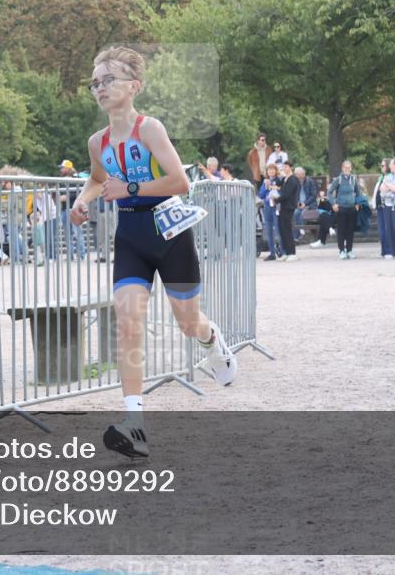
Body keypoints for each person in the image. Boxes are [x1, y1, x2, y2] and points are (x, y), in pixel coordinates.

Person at [70, 45, 237, 458]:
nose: (100, 87)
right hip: (130, 237)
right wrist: (83, 199)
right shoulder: (98, 141)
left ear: (134, 85)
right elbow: (96, 178)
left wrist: (128, 188)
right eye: (95, 81)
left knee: (188, 322)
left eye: (108, 79)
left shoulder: (150, 130)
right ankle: (135, 425)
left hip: (169, 234)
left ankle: (211, 340)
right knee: (127, 325)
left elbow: (180, 182)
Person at [328, 160, 361, 259]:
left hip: (351, 208)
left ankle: (349, 250)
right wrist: (333, 204)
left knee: (350, 230)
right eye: (345, 168)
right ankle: (341, 250)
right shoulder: (338, 179)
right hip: (341, 208)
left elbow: (358, 193)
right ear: (342, 168)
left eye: (349, 167)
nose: (347, 169)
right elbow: (330, 192)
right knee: (341, 230)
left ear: (351, 168)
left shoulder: (354, 179)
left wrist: (358, 204)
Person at [57, 160, 87, 259]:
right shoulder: (61, 179)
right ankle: (70, 255)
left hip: (74, 208)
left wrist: (67, 197)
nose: (61, 169)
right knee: (67, 234)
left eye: (63, 167)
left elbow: (79, 192)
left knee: (77, 232)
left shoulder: (76, 178)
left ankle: (81, 254)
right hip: (65, 209)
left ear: (68, 168)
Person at [275, 162, 300, 262]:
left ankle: (292, 253)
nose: (284, 169)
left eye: (286, 167)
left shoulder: (292, 179)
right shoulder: (284, 179)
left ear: (291, 168)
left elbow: (286, 194)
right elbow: (277, 185)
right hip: (283, 207)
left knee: (288, 230)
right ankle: (286, 252)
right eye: (283, 167)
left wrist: (276, 200)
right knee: (283, 230)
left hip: (289, 207)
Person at [258, 163, 283, 261]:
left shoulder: (279, 180)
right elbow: (261, 195)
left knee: (278, 229)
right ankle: (272, 253)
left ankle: (282, 251)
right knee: (268, 231)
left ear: (276, 171)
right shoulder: (266, 182)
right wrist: (266, 185)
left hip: (276, 207)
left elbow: (281, 193)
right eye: (269, 170)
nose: (271, 171)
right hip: (267, 207)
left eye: (272, 170)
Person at [371, 159, 392, 258]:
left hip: (386, 205)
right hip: (380, 206)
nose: (381, 167)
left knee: (386, 229)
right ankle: (384, 251)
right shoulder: (381, 177)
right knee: (381, 230)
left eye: (383, 165)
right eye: (381, 165)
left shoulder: (390, 177)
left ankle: (388, 251)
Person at [292, 167, 318, 241]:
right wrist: (297, 203)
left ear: (304, 174)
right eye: (298, 175)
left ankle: (300, 234)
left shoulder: (310, 181)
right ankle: (297, 234)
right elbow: (293, 195)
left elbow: (313, 195)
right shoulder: (294, 182)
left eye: (302, 174)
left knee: (303, 213)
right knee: (295, 213)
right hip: (299, 205)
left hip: (309, 205)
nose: (300, 176)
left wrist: (305, 204)